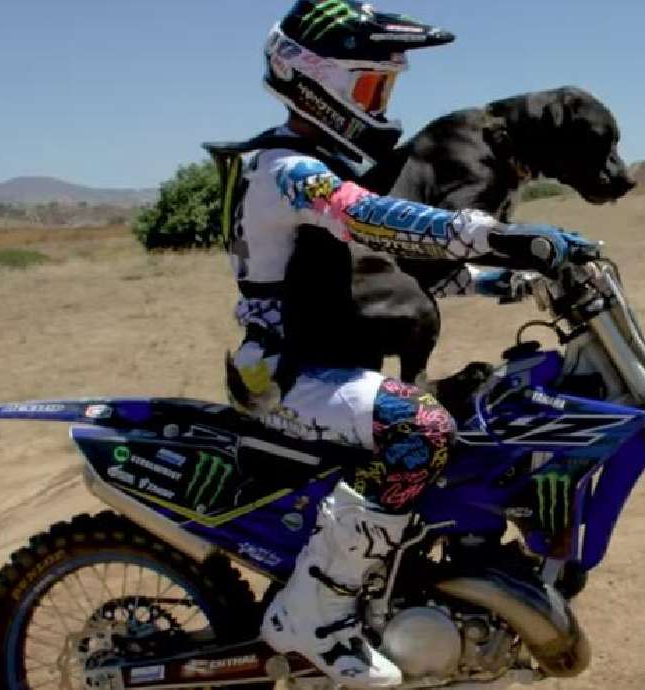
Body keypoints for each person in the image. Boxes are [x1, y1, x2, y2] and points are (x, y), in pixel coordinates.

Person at [219, 1, 595, 685]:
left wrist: (499, 286)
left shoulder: (319, 159)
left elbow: (379, 274)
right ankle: (313, 617)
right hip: (285, 377)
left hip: (327, 364)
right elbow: (368, 220)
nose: (381, 102)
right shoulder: (286, 170)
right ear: (317, 81)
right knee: (418, 428)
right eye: (370, 86)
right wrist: (491, 233)